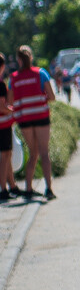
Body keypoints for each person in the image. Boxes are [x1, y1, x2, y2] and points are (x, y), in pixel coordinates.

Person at [11, 45, 57, 200]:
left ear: (18, 60)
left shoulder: (14, 78)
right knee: (44, 153)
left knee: (33, 153)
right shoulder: (40, 73)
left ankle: (29, 189)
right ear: (31, 57)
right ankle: (48, 189)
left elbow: (10, 101)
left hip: (25, 120)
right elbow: (52, 96)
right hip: (41, 117)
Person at [0, 52, 17, 201]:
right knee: (5, 156)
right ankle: (3, 189)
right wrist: (14, 110)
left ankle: (13, 186)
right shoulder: (0, 85)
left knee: (7, 156)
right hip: (3, 124)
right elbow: (1, 107)